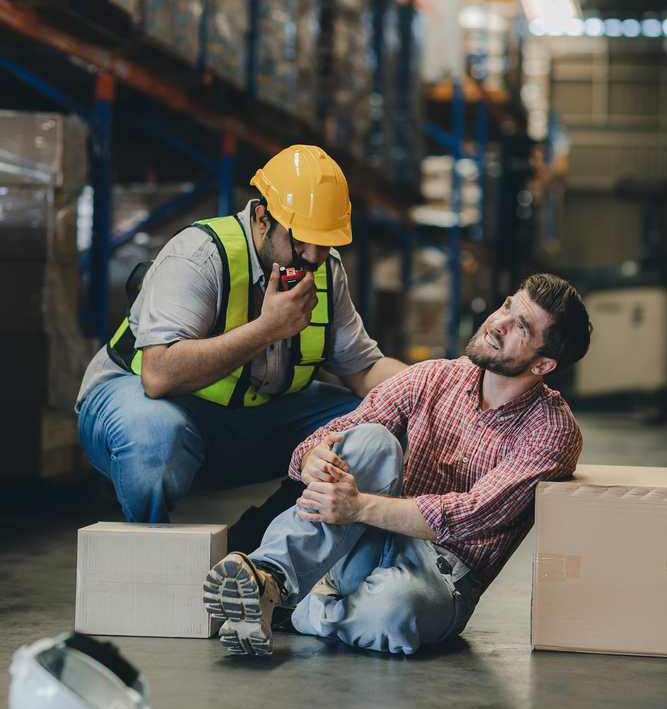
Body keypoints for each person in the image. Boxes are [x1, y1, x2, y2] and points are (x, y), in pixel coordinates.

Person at [202, 273, 593, 657]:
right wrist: (312, 456)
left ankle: (302, 609)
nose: (498, 323)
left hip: (444, 577)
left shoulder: (552, 430)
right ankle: (269, 577)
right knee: (372, 439)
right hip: (371, 541)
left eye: (521, 326)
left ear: (543, 365)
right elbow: (342, 430)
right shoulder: (434, 376)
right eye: (507, 306)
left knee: (391, 613)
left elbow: (473, 515)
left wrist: (358, 507)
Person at [76, 145, 405, 535]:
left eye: (325, 241)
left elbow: (364, 367)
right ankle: (155, 556)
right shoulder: (199, 256)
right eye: (300, 239)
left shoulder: (325, 272)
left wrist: (438, 387)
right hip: (152, 407)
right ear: (263, 218)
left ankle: (252, 547)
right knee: (154, 435)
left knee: (375, 425)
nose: (313, 256)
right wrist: (269, 328)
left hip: (253, 422)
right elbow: (159, 375)